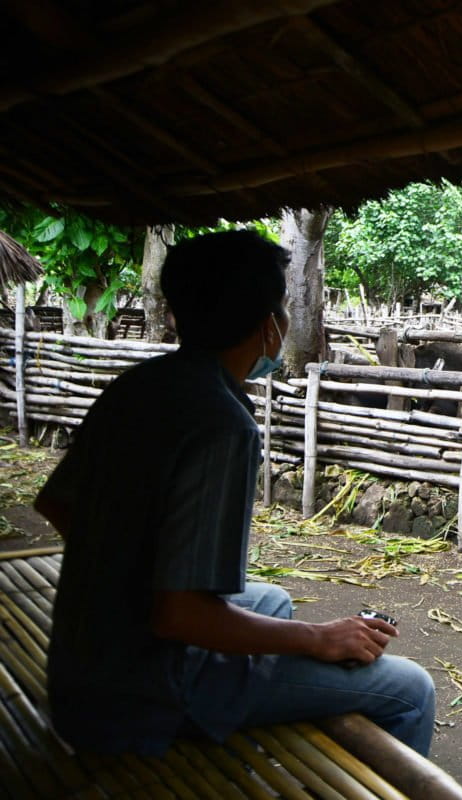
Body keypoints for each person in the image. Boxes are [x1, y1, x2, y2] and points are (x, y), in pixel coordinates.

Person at [33, 230, 435, 758]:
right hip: (134, 702)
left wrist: (124, 587)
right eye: (286, 307)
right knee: (410, 690)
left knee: (272, 599)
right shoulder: (224, 426)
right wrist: (321, 637)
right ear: (270, 326)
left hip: (79, 669)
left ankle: (244, 714)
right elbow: (178, 616)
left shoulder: (139, 384)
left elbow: (56, 504)